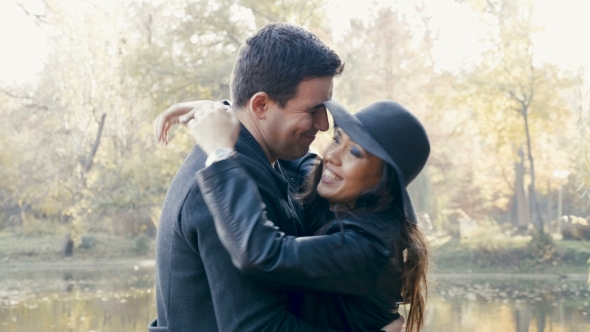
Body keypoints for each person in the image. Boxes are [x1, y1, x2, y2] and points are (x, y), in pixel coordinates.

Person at [150, 22, 403, 332]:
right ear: (261, 105)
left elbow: (312, 171)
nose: (324, 125)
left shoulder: (272, 160)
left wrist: (221, 111)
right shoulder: (220, 186)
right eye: (312, 110)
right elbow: (258, 327)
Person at [166, 99, 431, 332]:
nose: (332, 156)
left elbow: (265, 253)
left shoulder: (370, 247)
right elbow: (294, 154)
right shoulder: (341, 200)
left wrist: (221, 155)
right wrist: (225, 113)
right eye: (338, 138)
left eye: (354, 152)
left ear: (383, 182)